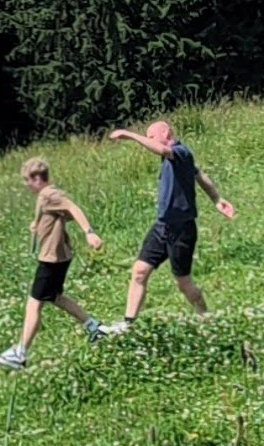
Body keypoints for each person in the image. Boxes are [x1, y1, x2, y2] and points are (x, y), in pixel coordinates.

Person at [101, 117, 237, 331]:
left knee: (183, 283)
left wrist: (130, 135)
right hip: (162, 226)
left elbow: (165, 152)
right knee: (139, 271)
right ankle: (128, 325)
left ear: (165, 134)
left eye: (151, 137)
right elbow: (199, 175)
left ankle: (206, 318)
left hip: (182, 229)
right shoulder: (177, 159)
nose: (150, 142)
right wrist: (217, 199)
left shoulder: (179, 152)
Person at [0, 155, 108, 371]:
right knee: (55, 297)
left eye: (27, 180)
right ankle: (94, 327)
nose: (26, 185)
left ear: (37, 178)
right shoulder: (46, 197)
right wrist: (38, 224)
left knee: (34, 303)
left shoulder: (49, 195)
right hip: (58, 256)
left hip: (52, 259)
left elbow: (72, 208)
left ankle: (21, 353)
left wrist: (89, 233)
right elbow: (61, 215)